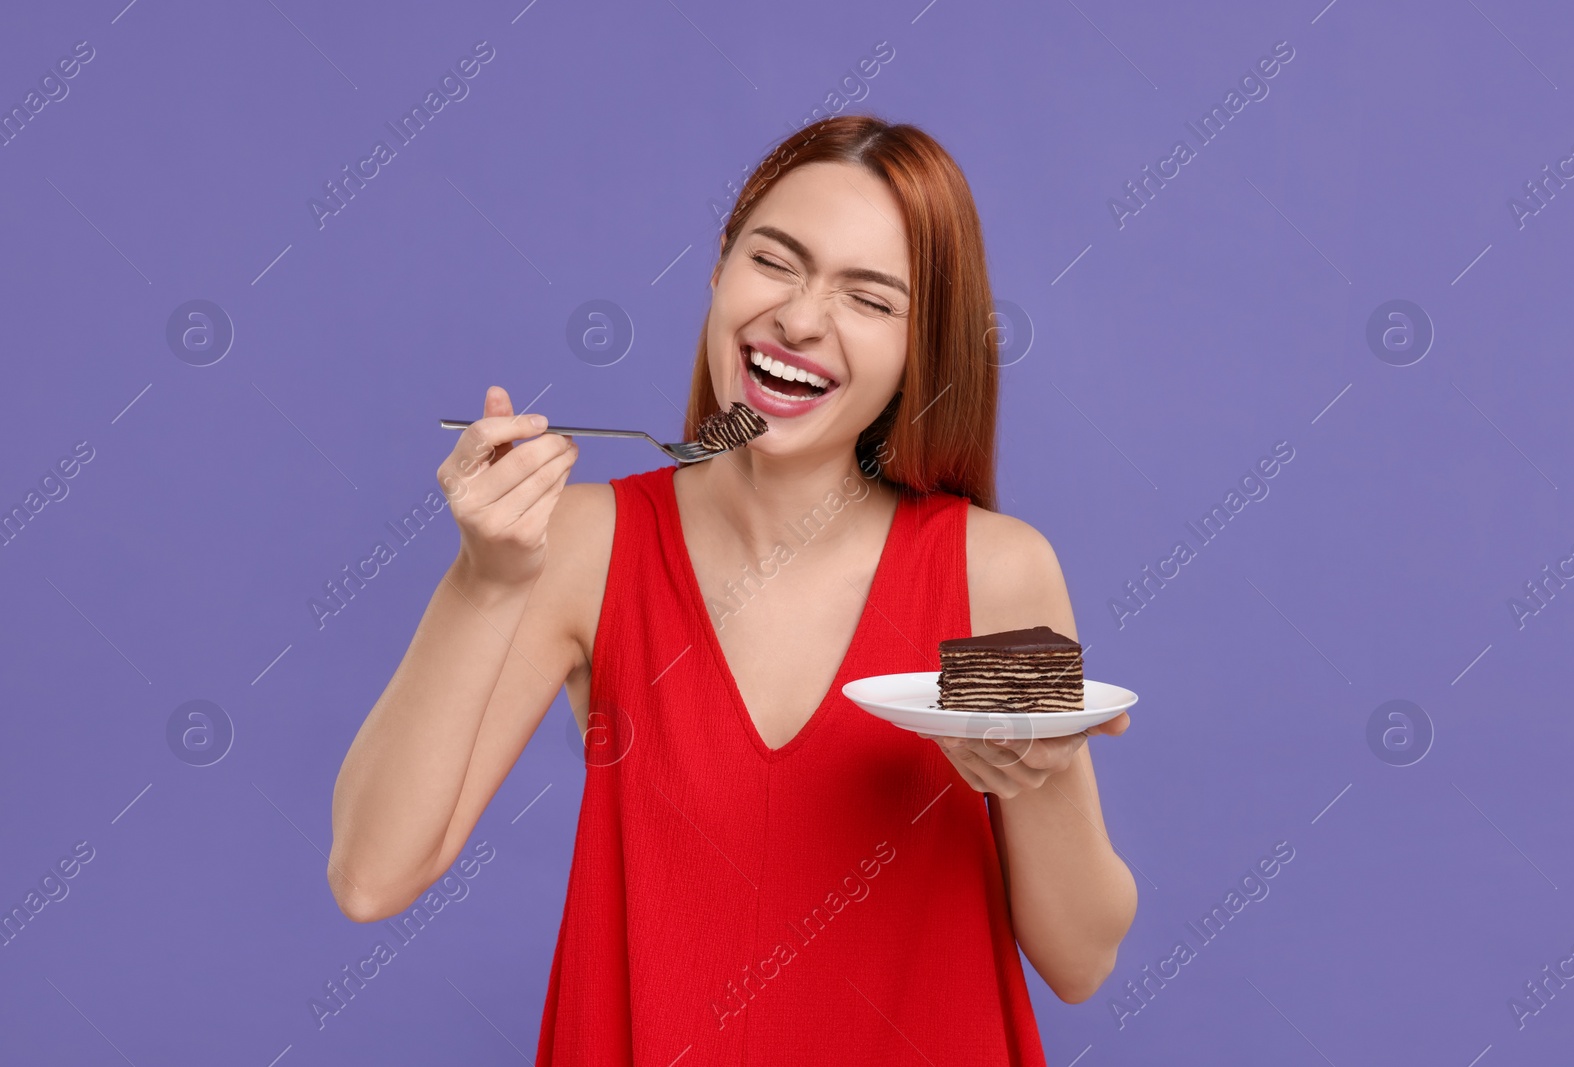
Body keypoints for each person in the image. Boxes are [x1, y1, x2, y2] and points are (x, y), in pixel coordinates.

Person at [328, 113, 1136, 1063]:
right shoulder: (588, 545)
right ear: (718, 268)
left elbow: (1082, 959)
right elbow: (371, 877)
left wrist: (1034, 782)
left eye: (870, 300)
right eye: (776, 260)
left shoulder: (996, 571)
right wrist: (486, 577)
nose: (800, 319)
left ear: (926, 347)